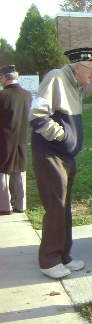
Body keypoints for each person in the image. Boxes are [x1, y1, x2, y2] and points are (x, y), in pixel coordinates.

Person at [30, 47, 92, 279]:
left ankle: (63, 255)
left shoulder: (74, 84)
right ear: (77, 66)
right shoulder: (56, 78)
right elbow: (37, 115)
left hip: (65, 156)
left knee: (64, 206)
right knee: (56, 206)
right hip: (50, 154)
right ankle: (49, 260)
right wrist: (62, 137)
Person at [0, 65, 32, 215]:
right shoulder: (28, 95)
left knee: (3, 173)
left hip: (4, 139)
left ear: (6, 78)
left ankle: (4, 207)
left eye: (1, 78)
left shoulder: (2, 96)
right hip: (22, 138)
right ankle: (20, 205)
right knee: (19, 171)